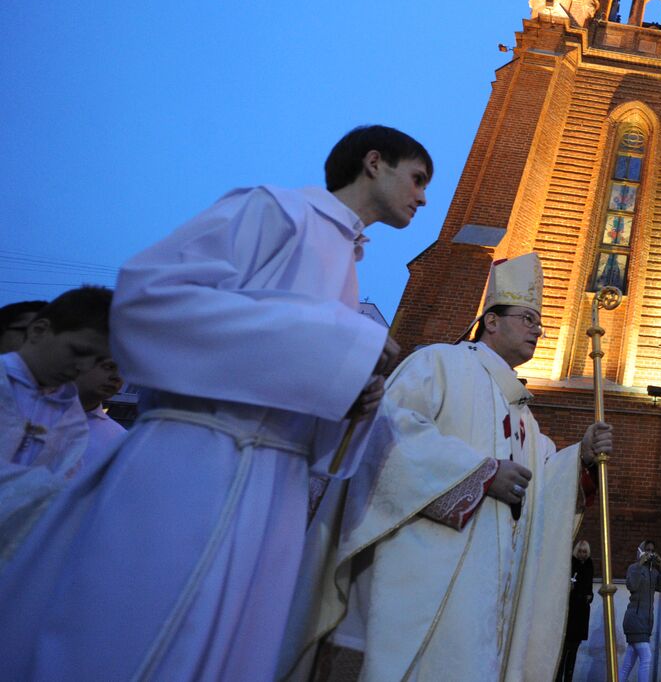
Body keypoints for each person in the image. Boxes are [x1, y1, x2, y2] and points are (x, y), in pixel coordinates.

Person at [0, 125, 430, 682]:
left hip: (274, 486)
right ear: (375, 162)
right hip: (200, 458)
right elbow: (150, 298)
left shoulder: (346, 266)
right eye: (418, 178)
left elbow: (300, 369)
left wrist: (352, 395)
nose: (423, 197)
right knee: (136, 642)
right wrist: (343, 344)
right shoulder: (276, 210)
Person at [281, 252, 613, 682]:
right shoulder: (440, 363)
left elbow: (542, 489)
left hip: (481, 603)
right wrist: (482, 474)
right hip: (417, 590)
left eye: (539, 321)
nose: (537, 329)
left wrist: (581, 459)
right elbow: (388, 435)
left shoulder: (528, 422)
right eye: (527, 318)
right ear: (491, 321)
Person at [0, 287, 112, 561]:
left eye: (98, 360)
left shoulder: (70, 413)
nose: (83, 367)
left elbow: (66, 477)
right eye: (79, 350)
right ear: (38, 330)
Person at [620, 539, 661, 681]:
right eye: (647, 549)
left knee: (628, 663)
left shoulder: (653, 571)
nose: (650, 553)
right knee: (646, 657)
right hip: (634, 620)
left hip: (646, 622)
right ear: (641, 550)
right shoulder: (634, 567)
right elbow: (632, 586)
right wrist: (640, 564)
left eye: (652, 550)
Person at [71, 354, 127, 475]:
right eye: (108, 367)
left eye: (124, 371)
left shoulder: (120, 440)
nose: (117, 377)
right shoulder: (30, 412)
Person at [556, 539, 594, 682]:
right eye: (580, 551)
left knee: (573, 652)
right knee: (563, 653)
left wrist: (590, 597)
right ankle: (558, 678)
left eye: (585, 552)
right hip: (570, 613)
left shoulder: (589, 566)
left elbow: (589, 588)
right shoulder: (571, 564)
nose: (582, 554)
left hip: (581, 613)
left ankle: (569, 679)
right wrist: (569, 589)